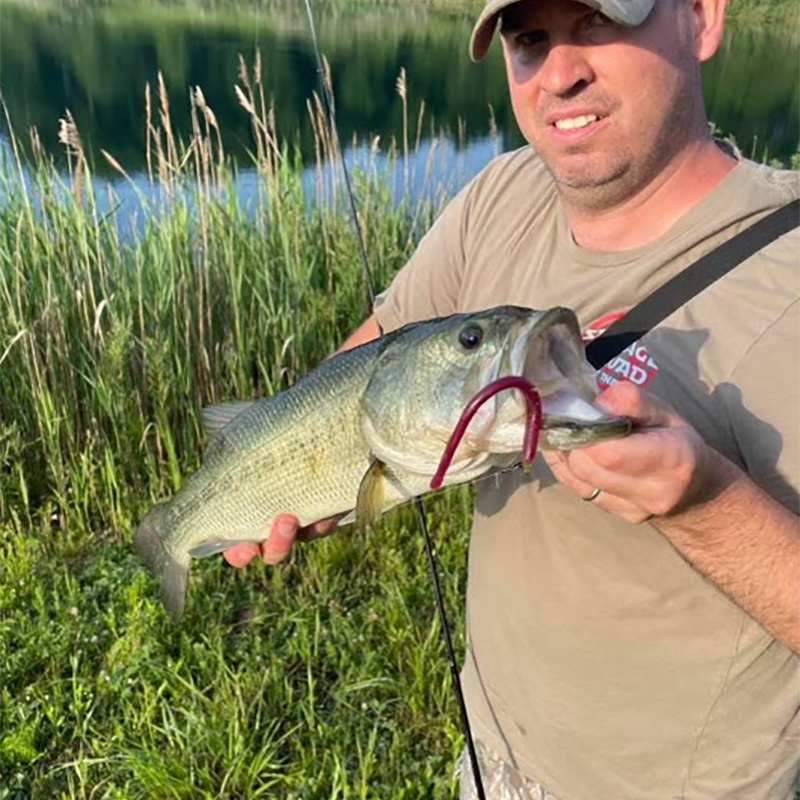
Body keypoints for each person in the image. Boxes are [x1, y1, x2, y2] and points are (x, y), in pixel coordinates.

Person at [226, 0, 800, 796]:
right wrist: (297, 463)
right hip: (492, 756)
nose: (560, 74)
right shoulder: (503, 192)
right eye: (531, 40)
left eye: (600, 22)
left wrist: (703, 500)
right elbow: (369, 356)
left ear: (702, 17)